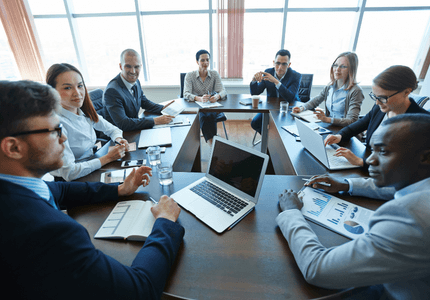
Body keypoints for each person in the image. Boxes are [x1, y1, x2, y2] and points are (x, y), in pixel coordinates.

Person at [0, 80, 184, 300]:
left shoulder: (14, 184)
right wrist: (165, 222)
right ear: (13, 147)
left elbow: (58, 190)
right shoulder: (50, 233)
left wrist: (119, 190)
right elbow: (139, 290)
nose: (64, 137)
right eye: (54, 130)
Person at [277, 114, 430, 299]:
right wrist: (346, 184)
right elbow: (398, 184)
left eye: (383, 152)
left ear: (425, 157)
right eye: (372, 150)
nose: (370, 161)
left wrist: (292, 212)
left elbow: (317, 269)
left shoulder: (411, 216)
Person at [324, 65, 429, 168]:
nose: (378, 103)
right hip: (369, 159)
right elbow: (363, 122)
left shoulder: (422, 124)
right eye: (375, 96)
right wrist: (340, 136)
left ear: (407, 92)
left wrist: (361, 162)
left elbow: (404, 166)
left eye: (383, 97)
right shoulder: (382, 107)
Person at [46, 63, 128, 181]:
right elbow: (69, 172)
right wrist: (108, 158)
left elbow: (113, 129)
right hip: (73, 181)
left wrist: (119, 139)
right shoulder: (56, 125)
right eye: (68, 88)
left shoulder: (84, 111)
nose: (77, 93)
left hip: (92, 166)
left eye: (80, 86)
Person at [103, 49, 174, 131]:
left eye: (136, 67)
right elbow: (123, 123)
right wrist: (155, 121)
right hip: (120, 137)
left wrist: (163, 108)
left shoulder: (136, 82)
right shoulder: (112, 91)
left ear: (141, 66)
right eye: (128, 66)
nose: (133, 71)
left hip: (134, 130)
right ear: (120, 66)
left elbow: (144, 102)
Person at [292, 52, 364, 126]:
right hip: (330, 126)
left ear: (351, 70)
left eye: (343, 66)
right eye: (335, 65)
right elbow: (316, 100)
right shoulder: (330, 86)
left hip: (344, 131)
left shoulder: (356, 91)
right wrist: (302, 108)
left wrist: (327, 119)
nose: (337, 69)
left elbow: (352, 121)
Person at [250, 49, 302, 134]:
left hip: (290, 108)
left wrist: (276, 82)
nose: (280, 67)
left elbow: (290, 97)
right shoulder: (268, 72)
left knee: (283, 130)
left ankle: (275, 142)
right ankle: (268, 142)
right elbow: (255, 93)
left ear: (289, 64)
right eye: (277, 63)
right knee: (255, 123)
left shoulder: (296, 76)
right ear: (274, 62)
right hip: (272, 107)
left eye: (284, 64)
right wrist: (253, 81)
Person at [183, 49, 227, 145]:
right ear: (197, 61)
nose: (205, 63)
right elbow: (186, 94)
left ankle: (212, 143)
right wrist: (199, 98)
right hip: (196, 106)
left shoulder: (214, 74)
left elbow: (223, 91)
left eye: (207, 60)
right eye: (202, 60)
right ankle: (213, 143)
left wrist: (217, 96)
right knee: (203, 115)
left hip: (210, 105)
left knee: (209, 114)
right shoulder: (190, 76)